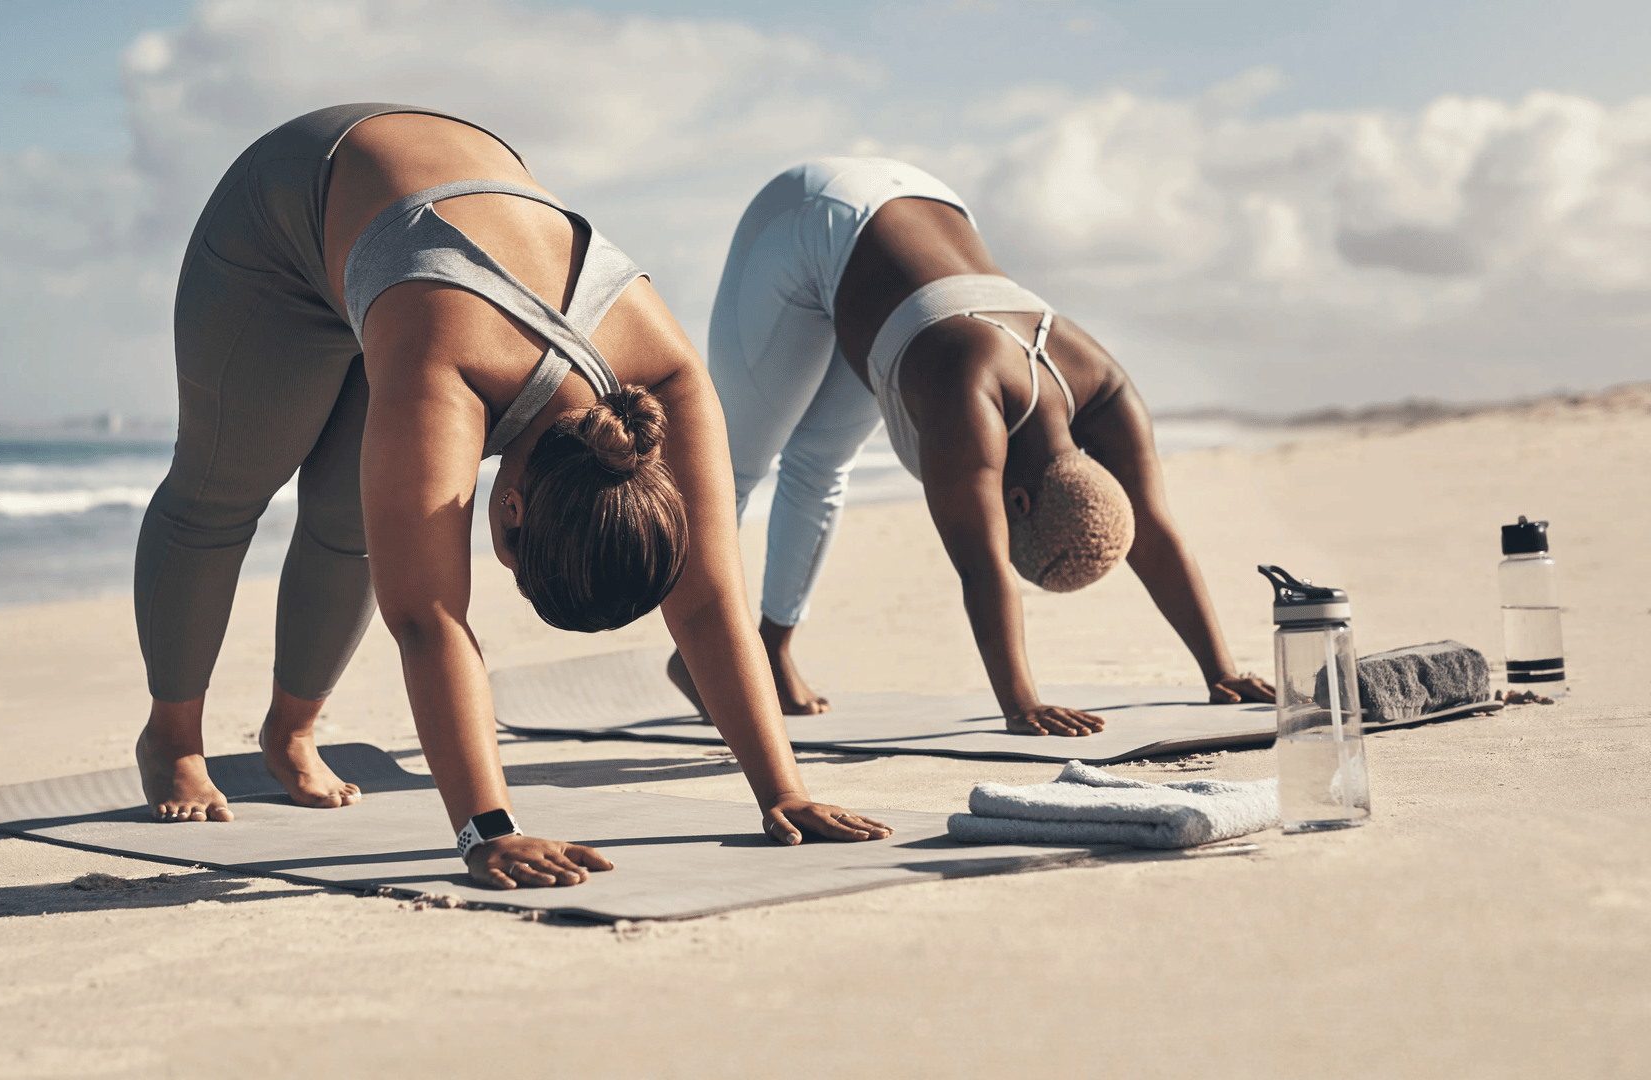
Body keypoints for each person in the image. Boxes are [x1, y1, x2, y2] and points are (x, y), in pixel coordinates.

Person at [133, 105, 890, 890]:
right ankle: (173, 741)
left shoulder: (666, 380)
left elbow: (707, 603)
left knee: (351, 523)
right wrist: (489, 829)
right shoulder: (448, 360)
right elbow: (430, 619)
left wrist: (784, 790)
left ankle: (289, 734)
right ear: (514, 512)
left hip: (418, 229)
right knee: (221, 490)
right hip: (285, 213)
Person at [670, 157, 1274, 735]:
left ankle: (771, 650)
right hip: (807, 215)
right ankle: (699, 653)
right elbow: (982, 568)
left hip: (915, 202)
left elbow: (1156, 529)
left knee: (820, 464)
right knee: (727, 467)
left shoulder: (1106, 389)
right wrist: (1022, 703)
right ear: (1020, 503)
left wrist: (1220, 670)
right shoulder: (967, 396)